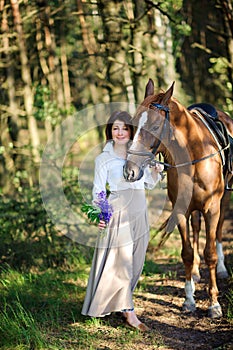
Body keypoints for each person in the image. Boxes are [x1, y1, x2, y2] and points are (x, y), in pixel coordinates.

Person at [81, 110, 163, 331]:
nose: (120, 132)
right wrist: (102, 214)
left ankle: (121, 302)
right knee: (123, 261)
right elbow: (98, 192)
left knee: (136, 261)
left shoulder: (137, 154)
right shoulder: (103, 159)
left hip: (140, 210)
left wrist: (156, 171)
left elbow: (148, 183)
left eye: (124, 128)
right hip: (119, 211)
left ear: (130, 131)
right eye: (115, 128)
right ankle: (130, 313)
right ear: (110, 131)